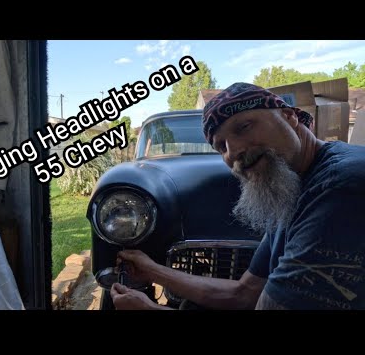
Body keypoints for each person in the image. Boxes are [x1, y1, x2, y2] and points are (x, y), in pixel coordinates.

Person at [110, 82, 365, 310]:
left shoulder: (341, 186)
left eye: (243, 127)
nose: (234, 153)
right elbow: (245, 293)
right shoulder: (293, 186)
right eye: (222, 146)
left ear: (288, 117)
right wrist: (153, 271)